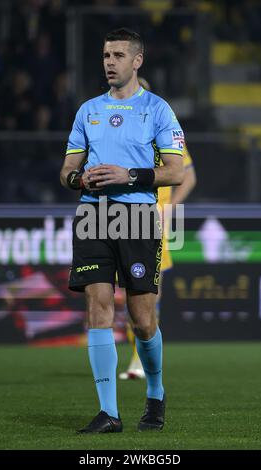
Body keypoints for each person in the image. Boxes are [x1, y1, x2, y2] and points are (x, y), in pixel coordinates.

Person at [60, 28, 185, 433]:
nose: (109, 62)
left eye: (117, 54)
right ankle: (109, 413)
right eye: (104, 55)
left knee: (142, 318)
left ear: (137, 61)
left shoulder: (159, 110)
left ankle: (155, 392)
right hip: (93, 215)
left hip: (137, 218)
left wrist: (128, 175)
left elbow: (176, 171)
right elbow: (66, 171)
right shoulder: (88, 111)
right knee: (98, 308)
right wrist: (80, 179)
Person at [119, 78, 197, 380]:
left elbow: (188, 177)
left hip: (153, 221)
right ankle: (141, 358)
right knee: (130, 293)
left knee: (150, 293)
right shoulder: (119, 134)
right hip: (123, 220)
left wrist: (170, 207)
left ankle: (142, 362)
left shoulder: (165, 131)